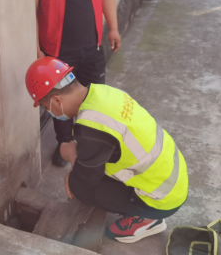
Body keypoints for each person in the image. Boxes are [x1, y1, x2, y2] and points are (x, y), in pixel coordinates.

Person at [25, 57, 188, 243]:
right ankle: (138, 206)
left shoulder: (92, 128)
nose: (50, 112)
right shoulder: (103, 93)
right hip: (174, 180)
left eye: (46, 107)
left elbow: (86, 178)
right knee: (86, 167)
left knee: (78, 186)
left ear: (56, 100)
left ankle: (147, 219)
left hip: (162, 199)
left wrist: (71, 157)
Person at [34, 0, 121, 167]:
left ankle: (91, 142)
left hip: (92, 45)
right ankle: (65, 143)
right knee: (60, 101)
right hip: (57, 50)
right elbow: (31, 10)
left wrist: (113, 28)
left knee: (96, 96)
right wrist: (37, 49)